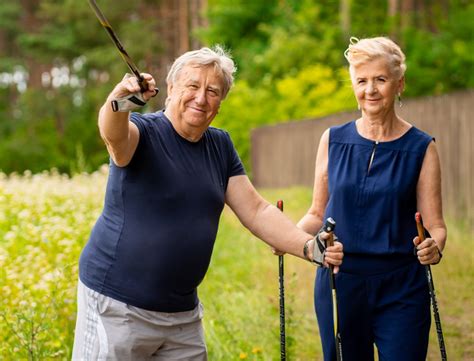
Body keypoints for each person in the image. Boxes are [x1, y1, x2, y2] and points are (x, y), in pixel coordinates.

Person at [72, 46, 343, 360]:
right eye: (192, 86)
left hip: (181, 317)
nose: (201, 98)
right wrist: (123, 99)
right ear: (171, 89)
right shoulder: (144, 134)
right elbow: (113, 133)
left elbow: (257, 211)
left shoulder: (220, 145)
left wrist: (310, 247)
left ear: (220, 102)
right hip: (117, 308)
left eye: (212, 91)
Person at [297, 37, 447, 361]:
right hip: (340, 283)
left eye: (380, 79)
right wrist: (290, 238)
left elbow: (436, 226)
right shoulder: (333, 140)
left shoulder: (422, 147)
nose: (370, 90)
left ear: (399, 83)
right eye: (361, 81)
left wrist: (434, 246)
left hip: (402, 287)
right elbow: (316, 213)